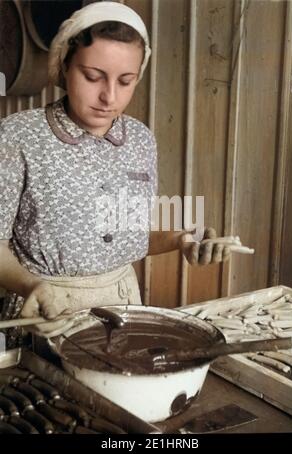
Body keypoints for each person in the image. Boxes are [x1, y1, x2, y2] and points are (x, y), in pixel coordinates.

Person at [0, 2, 230, 343]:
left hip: (121, 310)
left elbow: (129, 233)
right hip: (45, 316)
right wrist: (32, 284)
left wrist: (185, 241)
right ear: (64, 66)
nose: (109, 96)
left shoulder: (139, 140)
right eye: (92, 77)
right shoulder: (19, 136)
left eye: (126, 81)